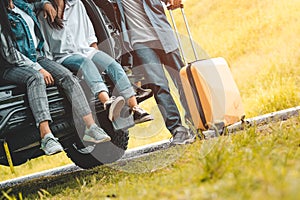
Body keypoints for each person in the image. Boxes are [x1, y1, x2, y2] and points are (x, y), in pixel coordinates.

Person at [0, 0, 112, 156]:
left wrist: (45, 3)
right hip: (12, 66)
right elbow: (10, 55)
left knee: (66, 75)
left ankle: (91, 127)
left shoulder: (20, 5)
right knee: (36, 79)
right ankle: (46, 136)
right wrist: (38, 68)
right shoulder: (2, 15)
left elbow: (35, 6)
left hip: (36, 57)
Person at [38, 0, 153, 125]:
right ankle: (107, 103)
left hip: (86, 50)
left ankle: (135, 109)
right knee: (86, 63)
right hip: (64, 56)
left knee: (113, 65)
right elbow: (45, 46)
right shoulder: (42, 14)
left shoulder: (77, 4)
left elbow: (89, 32)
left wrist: (99, 56)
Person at [114, 0, 196, 145]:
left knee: (183, 80)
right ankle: (177, 129)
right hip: (140, 43)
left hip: (162, 34)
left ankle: (196, 121)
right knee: (159, 86)